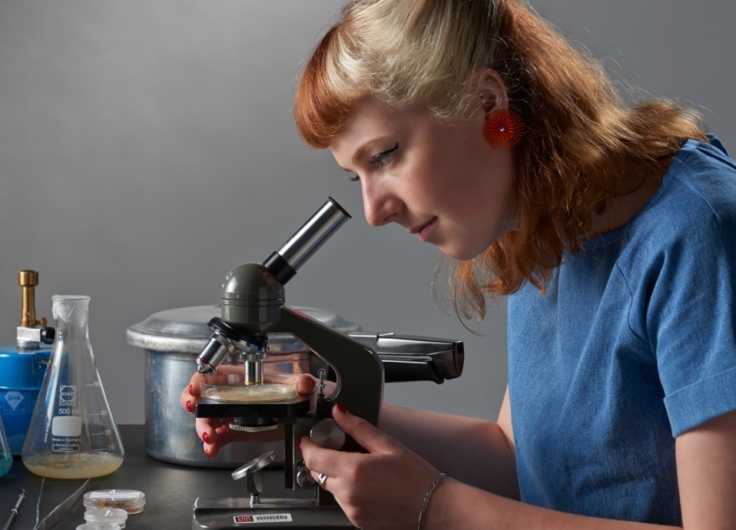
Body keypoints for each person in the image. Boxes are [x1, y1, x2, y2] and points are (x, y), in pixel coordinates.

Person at [181, 0, 736, 528]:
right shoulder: (546, 226)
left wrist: (434, 510)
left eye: (385, 155)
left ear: (486, 102)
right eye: (358, 176)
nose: (375, 211)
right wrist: (316, 409)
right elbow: (517, 462)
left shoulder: (698, 231)